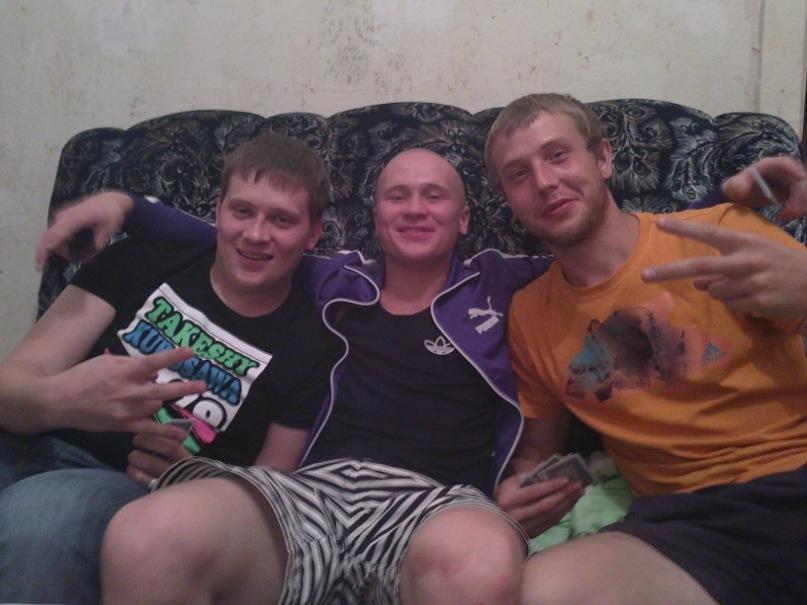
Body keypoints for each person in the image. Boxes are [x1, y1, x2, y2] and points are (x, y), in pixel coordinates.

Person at [37, 143, 805, 605]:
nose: (412, 208)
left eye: (433, 195)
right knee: (148, 535)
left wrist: (740, 196)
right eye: (395, 196)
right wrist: (128, 205)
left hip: (441, 505)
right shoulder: (330, 278)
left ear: (463, 218)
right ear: (372, 219)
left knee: (475, 560)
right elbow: (240, 231)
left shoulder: (510, 284)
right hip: (308, 494)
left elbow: (607, 245)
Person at [484, 93, 807, 605]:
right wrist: (519, 495)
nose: (544, 181)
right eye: (518, 174)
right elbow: (538, 453)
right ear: (507, 197)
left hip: (794, 476)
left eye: (558, 155)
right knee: (528, 592)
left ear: (603, 158)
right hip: (682, 527)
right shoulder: (528, 314)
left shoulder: (721, 232)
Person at [0, 132, 340, 604]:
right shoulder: (138, 261)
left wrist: (193, 477)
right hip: (31, 438)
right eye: (242, 211)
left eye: (281, 220)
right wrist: (64, 400)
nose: (256, 234)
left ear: (312, 233)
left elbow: (270, 495)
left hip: (130, 487)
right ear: (218, 211)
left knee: (43, 515)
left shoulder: (311, 345)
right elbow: (12, 387)